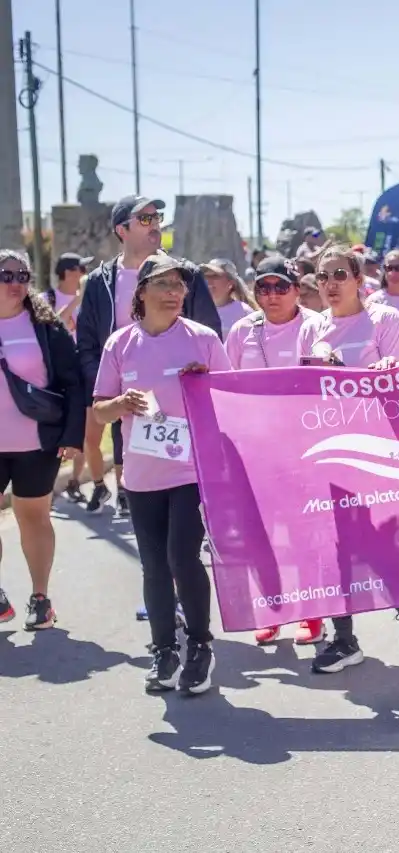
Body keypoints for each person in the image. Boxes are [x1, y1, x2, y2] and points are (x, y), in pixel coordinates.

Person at [92, 255, 230, 694]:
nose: (174, 293)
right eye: (164, 284)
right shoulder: (120, 344)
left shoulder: (203, 339)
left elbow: (230, 399)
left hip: (191, 470)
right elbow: (99, 410)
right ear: (142, 292)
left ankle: (200, 646)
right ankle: (164, 650)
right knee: (153, 566)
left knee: (182, 557)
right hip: (141, 474)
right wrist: (120, 405)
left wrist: (205, 382)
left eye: (179, 285)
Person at [303, 244, 399, 674]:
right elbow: (302, 390)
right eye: (322, 276)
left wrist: (390, 369)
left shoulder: (385, 320)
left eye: (340, 274)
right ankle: (344, 638)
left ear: (359, 279)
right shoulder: (311, 328)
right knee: (335, 543)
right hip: (329, 451)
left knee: (371, 539)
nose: (330, 284)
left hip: (377, 451)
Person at [77, 195, 221, 521]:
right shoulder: (100, 281)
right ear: (122, 230)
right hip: (127, 398)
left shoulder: (186, 273)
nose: (155, 224)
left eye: (157, 217)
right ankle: (132, 500)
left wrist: (198, 376)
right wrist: (108, 387)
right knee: (144, 496)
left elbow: (209, 335)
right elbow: (86, 344)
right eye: (144, 218)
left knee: (182, 503)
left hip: (180, 405)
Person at [224, 256, 327, 646]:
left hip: (306, 449)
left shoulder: (316, 325)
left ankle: (312, 612)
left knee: (303, 534)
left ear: (297, 290)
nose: (271, 295)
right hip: (255, 450)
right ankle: (272, 610)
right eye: (263, 288)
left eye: (280, 286)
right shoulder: (242, 331)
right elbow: (225, 385)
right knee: (261, 536)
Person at [0, 250, 85, 630]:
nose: (16, 283)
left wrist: (72, 435)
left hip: (37, 442)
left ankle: (40, 599)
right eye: (6, 276)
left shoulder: (47, 327)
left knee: (33, 518)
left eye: (23, 276)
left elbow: (73, 383)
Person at [49, 253, 92, 502]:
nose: (85, 274)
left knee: (83, 428)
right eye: (81, 269)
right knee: (56, 428)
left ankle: (74, 481)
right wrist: (77, 299)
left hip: (81, 368)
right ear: (68, 272)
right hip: (58, 373)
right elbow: (55, 324)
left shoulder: (89, 299)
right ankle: (48, 483)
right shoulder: (47, 299)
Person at [202, 259, 256, 339]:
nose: (208, 280)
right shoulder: (198, 310)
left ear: (230, 283)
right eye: (206, 276)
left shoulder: (244, 313)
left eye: (215, 276)